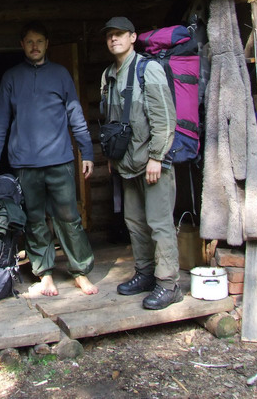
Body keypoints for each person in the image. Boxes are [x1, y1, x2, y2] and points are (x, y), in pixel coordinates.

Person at [0, 21, 97, 296]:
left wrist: (87, 152)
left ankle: (80, 271)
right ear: (22, 45)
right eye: (29, 41)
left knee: (69, 218)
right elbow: (0, 121)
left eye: (39, 41)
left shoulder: (61, 74)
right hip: (25, 164)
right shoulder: (11, 77)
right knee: (34, 220)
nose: (35, 46)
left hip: (60, 160)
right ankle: (44, 273)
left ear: (47, 44)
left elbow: (76, 115)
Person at [100, 16, 183, 310]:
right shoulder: (108, 75)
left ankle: (168, 284)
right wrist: (112, 158)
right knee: (135, 223)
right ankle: (146, 273)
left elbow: (164, 118)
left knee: (159, 224)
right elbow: (111, 122)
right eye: (110, 35)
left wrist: (156, 157)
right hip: (126, 164)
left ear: (133, 37)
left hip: (152, 163)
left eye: (120, 34)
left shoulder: (149, 70)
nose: (114, 39)